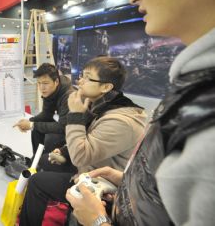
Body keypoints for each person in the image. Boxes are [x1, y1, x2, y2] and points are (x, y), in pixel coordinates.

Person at [66, 0, 215, 225]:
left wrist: (98, 222)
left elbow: (82, 154)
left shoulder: (204, 117)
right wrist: (128, 181)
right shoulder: (192, 90)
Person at [18, 57, 146, 225]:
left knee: (37, 180)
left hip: (102, 182)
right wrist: (63, 151)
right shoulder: (98, 103)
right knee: (45, 157)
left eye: (87, 77)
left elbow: (74, 144)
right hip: (90, 167)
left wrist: (75, 114)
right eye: (81, 75)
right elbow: (55, 119)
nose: (80, 80)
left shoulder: (120, 120)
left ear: (106, 87)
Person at [13, 63, 73, 159]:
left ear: (56, 81)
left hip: (73, 129)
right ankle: (37, 159)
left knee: (50, 138)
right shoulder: (50, 91)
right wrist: (29, 121)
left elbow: (63, 127)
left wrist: (32, 125)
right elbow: (47, 114)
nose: (41, 87)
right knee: (36, 130)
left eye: (45, 83)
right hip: (63, 122)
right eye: (39, 83)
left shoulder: (69, 96)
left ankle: (48, 162)